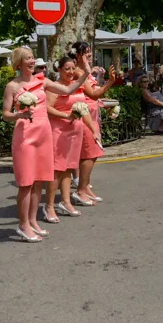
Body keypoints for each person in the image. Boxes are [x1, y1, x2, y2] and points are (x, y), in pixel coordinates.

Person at [2, 47, 88, 238]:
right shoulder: (12, 86)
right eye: (27, 59)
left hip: (43, 133)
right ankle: (23, 225)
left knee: (39, 180)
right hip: (24, 134)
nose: (32, 61)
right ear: (18, 64)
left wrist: (86, 72)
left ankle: (32, 221)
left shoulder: (42, 80)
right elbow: (5, 114)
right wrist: (20, 115)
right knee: (26, 182)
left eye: (32, 58)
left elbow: (67, 89)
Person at [46, 56, 93, 221]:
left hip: (75, 131)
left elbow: (84, 109)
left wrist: (93, 129)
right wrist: (66, 115)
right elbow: (47, 108)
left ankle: (65, 201)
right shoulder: (54, 87)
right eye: (67, 69)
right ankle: (49, 206)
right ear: (58, 70)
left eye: (73, 68)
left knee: (68, 167)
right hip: (59, 132)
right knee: (57, 170)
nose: (71, 72)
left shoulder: (76, 87)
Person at [70, 41, 116, 206]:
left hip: (92, 115)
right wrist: (110, 82)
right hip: (85, 117)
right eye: (85, 52)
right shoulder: (77, 72)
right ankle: (80, 190)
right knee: (90, 154)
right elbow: (93, 94)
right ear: (77, 55)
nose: (89, 54)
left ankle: (85, 187)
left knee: (91, 154)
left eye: (90, 51)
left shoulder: (85, 71)